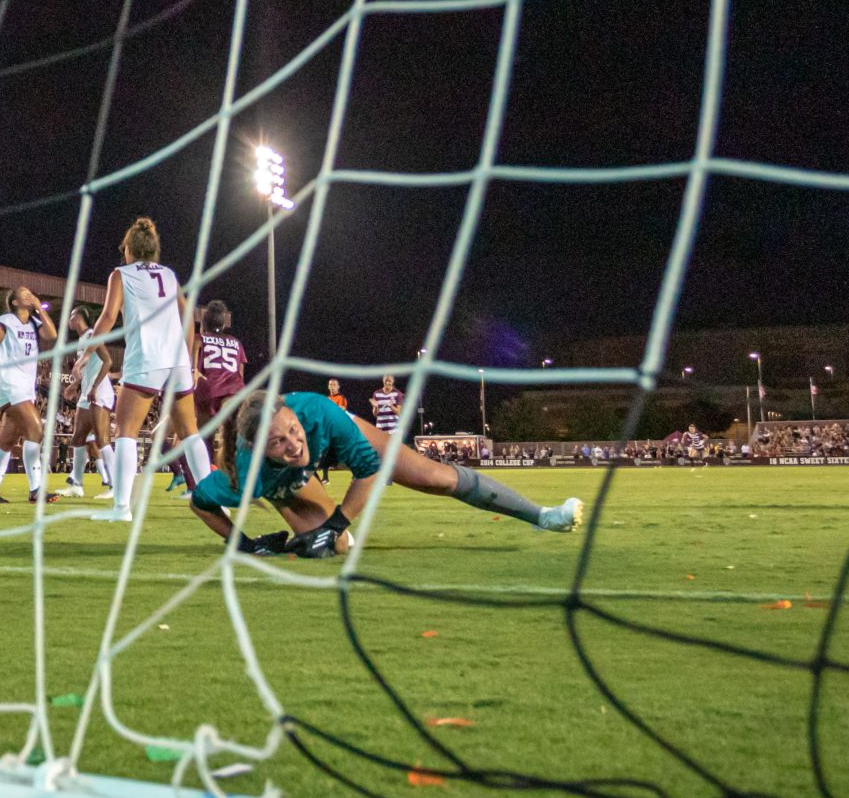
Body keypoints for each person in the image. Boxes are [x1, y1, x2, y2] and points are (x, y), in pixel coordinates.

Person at [193, 389, 582, 555]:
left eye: (292, 430)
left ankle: (543, 516)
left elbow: (370, 469)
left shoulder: (321, 413)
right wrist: (243, 543)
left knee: (436, 478)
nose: (293, 444)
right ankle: (325, 531)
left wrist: (337, 522)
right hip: (286, 477)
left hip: (334, 434)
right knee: (338, 549)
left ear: (296, 415)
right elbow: (200, 502)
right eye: (278, 443)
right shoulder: (247, 475)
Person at [79, 217, 210, 522]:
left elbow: (108, 317)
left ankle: (121, 508)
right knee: (191, 433)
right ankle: (212, 503)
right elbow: (188, 316)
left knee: (125, 433)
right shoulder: (168, 274)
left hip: (146, 358)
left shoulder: (120, 274)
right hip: (176, 360)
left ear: (129, 249)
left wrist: (86, 353)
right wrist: (189, 361)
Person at [0, 286, 60, 505]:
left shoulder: (35, 323)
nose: (30, 295)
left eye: (30, 293)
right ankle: (36, 489)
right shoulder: (5, 320)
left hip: (25, 388)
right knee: (36, 428)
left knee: (7, 441)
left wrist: (39, 309)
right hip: (10, 385)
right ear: (15, 303)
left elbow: (52, 334)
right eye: (24, 294)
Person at [63, 304, 111, 498]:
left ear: (79, 318)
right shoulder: (83, 339)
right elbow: (88, 369)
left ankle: (115, 486)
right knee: (78, 438)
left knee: (101, 439)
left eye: (71, 316)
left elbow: (107, 361)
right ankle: (77, 485)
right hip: (86, 393)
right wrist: (76, 385)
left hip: (98, 391)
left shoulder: (92, 335)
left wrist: (93, 387)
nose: (69, 319)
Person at [194, 301, 248, 468]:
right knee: (232, 437)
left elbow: (192, 369)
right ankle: (235, 471)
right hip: (235, 391)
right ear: (223, 323)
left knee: (204, 435)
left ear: (204, 322)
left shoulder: (199, 339)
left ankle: (207, 469)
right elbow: (240, 373)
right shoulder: (236, 342)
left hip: (209, 389)